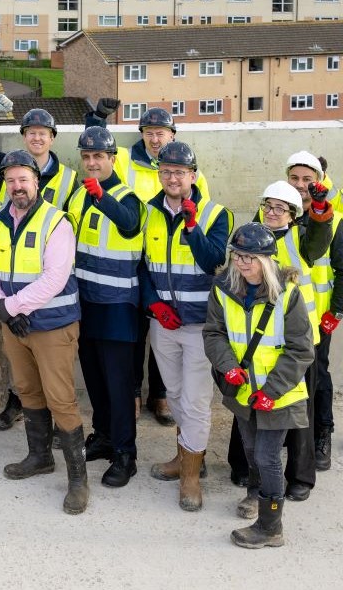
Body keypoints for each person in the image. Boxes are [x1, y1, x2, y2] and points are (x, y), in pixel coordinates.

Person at [84, 104, 210, 425]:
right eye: (149, 133)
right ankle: (134, 393)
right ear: (141, 134)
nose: (155, 139)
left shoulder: (190, 172)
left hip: (166, 258)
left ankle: (161, 394)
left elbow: (200, 211)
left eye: (161, 133)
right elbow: (99, 149)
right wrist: (96, 118)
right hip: (130, 257)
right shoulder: (125, 158)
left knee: (163, 330)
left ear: (172, 134)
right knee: (136, 334)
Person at [0, 150, 87, 514]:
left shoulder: (57, 221)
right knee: (26, 389)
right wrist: (0, 307)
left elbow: (55, 278)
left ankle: (78, 481)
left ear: (36, 181)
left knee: (61, 398)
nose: (16, 186)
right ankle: (39, 457)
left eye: (23, 179)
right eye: (10, 180)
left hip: (51, 326)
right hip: (14, 325)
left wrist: (11, 308)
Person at [0, 94, 78, 430]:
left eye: (44, 132)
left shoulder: (68, 179)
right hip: (11, 283)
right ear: (23, 136)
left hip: (51, 289)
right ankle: (18, 404)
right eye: (31, 132)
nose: (37, 137)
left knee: (56, 370)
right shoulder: (8, 169)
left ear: (53, 137)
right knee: (21, 365)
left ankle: (61, 427)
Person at [204, 223, 314, 549]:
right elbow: (214, 333)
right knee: (251, 450)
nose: (241, 263)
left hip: (279, 393)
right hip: (243, 390)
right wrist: (227, 367)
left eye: (249, 257)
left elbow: (300, 349)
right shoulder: (223, 288)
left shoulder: (289, 294)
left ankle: (270, 527)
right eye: (237, 255)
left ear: (266, 259)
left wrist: (272, 391)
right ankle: (256, 494)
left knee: (267, 456)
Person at [140, 141, 232, 512]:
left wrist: (192, 227)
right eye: (166, 172)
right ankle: (184, 457)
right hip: (164, 322)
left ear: (193, 176)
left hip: (200, 325)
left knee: (194, 401)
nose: (172, 178)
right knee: (175, 395)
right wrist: (154, 303)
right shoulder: (150, 212)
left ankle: (192, 475)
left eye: (179, 172)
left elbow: (214, 263)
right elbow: (142, 266)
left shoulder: (215, 214)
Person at [226, 180, 331, 500]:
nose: (272, 212)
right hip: (253, 339)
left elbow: (318, 242)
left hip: (298, 337)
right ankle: (243, 467)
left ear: (293, 213)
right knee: (245, 404)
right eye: (268, 205)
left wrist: (321, 211)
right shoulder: (250, 237)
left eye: (280, 208)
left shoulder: (302, 237)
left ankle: (300, 477)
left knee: (298, 410)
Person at [67, 127, 144, 487]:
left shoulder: (130, 198)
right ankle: (105, 436)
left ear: (113, 160)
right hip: (86, 302)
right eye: (87, 157)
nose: (92, 162)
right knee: (95, 378)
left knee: (118, 383)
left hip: (117, 306)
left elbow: (129, 227)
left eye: (99, 157)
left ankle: (125, 453)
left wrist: (102, 198)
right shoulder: (79, 196)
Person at [285, 152, 340, 471]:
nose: (301, 185)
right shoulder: (278, 211)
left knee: (318, 376)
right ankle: (289, 438)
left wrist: (337, 310)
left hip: (318, 316)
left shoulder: (332, 219)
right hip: (282, 318)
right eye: (295, 178)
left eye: (308, 179)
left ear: (319, 182)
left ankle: (322, 433)